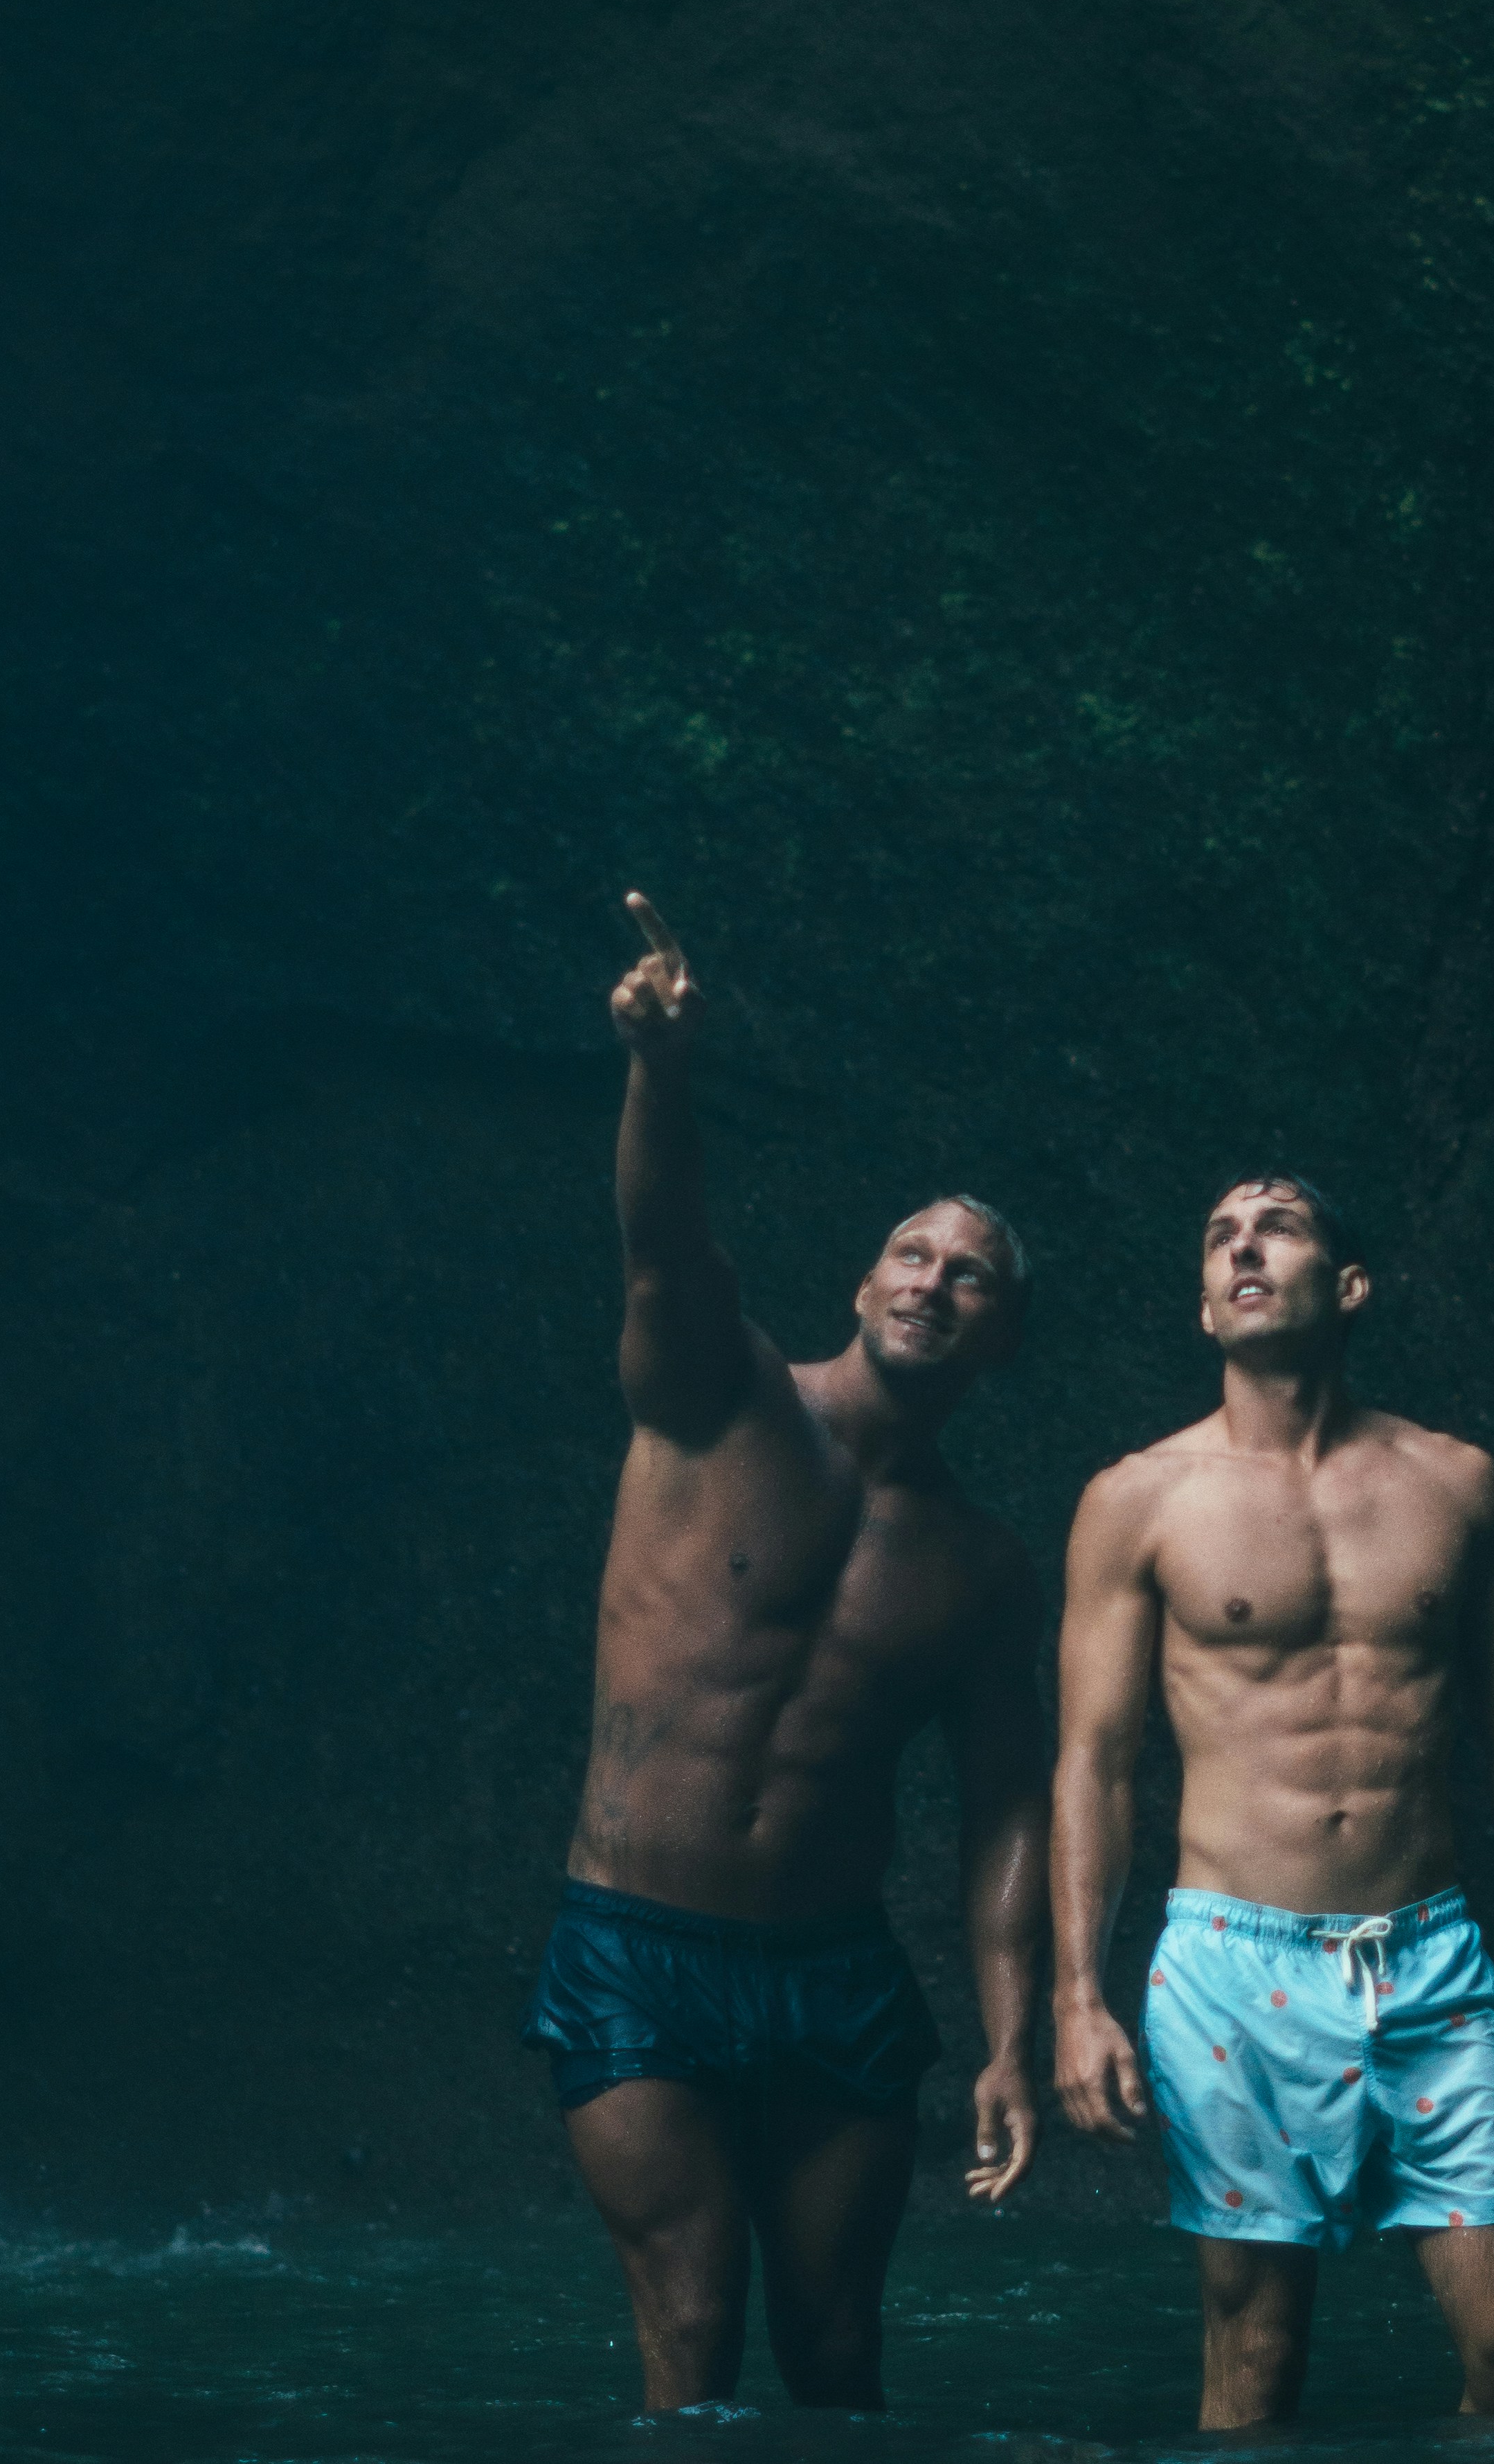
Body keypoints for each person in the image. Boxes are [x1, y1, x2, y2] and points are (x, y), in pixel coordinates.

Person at [522, 896, 1048, 2414]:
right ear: (861, 1280)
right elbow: (659, 1236)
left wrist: (1012, 2042)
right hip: (636, 1948)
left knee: (836, 2348)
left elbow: (1012, 1807)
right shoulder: (720, 1393)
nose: (929, 1282)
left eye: (970, 1276)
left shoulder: (987, 1569)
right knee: (694, 2317)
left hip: (831, 1970)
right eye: (909, 1252)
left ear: (1001, 1337)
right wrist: (659, 1066)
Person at [1050, 1174, 1494, 2427]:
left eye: (1276, 1227)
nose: (1242, 1248)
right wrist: (1074, 1993)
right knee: (1255, 2363)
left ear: (1349, 1285)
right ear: (1205, 1307)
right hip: (1230, 1967)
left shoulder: (1454, 1484)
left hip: (1427, 1962)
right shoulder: (1136, 1500)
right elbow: (1092, 1763)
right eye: (1218, 1237)